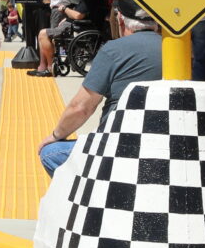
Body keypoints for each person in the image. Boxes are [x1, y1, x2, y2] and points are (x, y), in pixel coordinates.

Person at [39, 24, 166, 174]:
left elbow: (81, 107)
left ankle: (88, 195)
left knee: (50, 153)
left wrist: (55, 136)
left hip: (119, 148)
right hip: (164, 146)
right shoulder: (176, 49)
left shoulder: (113, 49)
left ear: (120, 20)